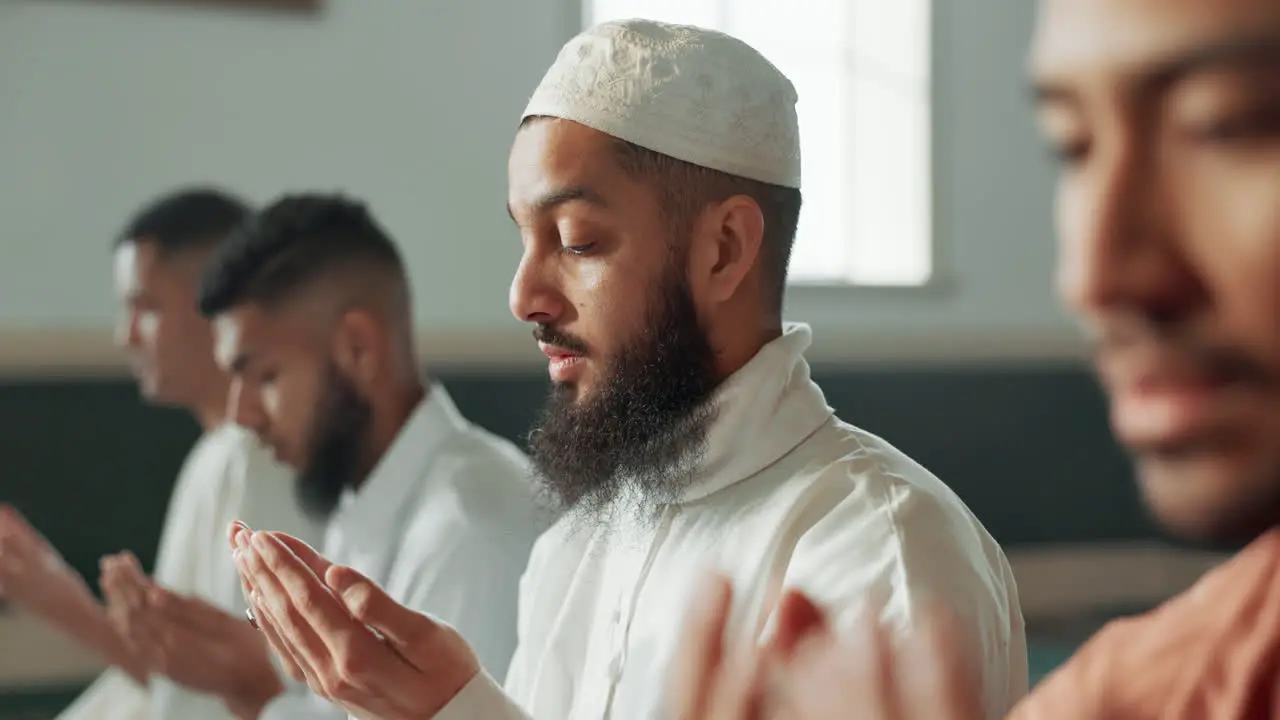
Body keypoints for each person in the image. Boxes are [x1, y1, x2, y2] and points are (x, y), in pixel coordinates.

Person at [227, 18, 1027, 720]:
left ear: (724, 251)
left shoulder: (873, 553)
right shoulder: (578, 545)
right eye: (523, 239)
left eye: (576, 241)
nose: (523, 295)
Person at [666, 0, 1280, 716]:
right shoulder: (1142, 696)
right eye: (1071, 144)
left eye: (1226, 124)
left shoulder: (880, 537)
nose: (1094, 276)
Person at [197, 192, 546, 719]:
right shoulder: (366, 495)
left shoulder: (472, 530)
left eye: (264, 376)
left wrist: (256, 694)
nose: (241, 415)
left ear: (357, 348)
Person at [0, 187, 322, 720]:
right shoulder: (216, 457)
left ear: (220, 303)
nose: (125, 335)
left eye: (146, 308)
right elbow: (190, 684)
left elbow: (235, 694)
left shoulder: (258, 461)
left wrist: (70, 607)